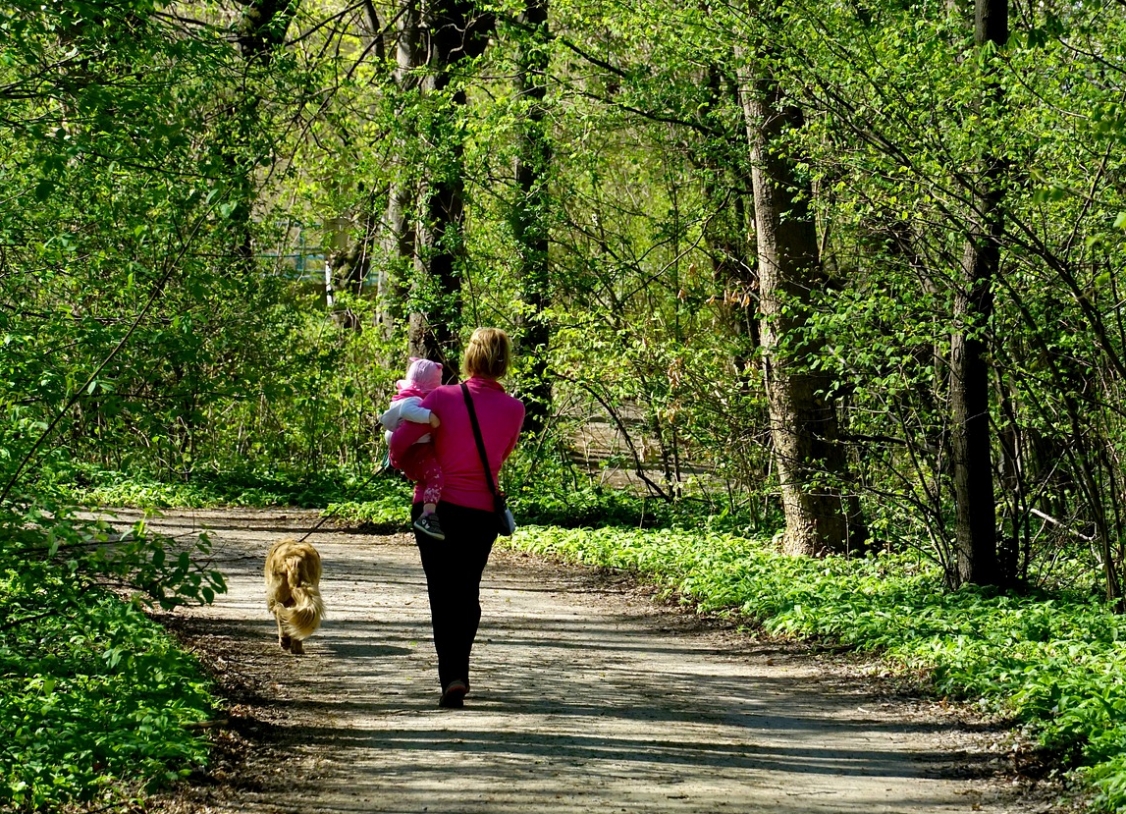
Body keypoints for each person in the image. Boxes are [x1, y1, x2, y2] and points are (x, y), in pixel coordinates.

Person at [389, 328, 525, 709]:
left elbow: (399, 443)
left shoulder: (440, 398)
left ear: (469, 358)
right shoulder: (515, 409)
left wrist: (413, 469)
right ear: (504, 362)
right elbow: (502, 455)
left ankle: (452, 675)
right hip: (481, 513)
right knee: (467, 590)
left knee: (441, 592)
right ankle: (459, 671)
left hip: (435, 510)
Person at [380, 358, 446, 540]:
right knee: (436, 478)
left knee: (426, 479)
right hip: (417, 450)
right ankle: (428, 515)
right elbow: (408, 411)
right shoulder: (412, 400)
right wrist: (429, 417)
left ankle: (426, 510)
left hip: (409, 450)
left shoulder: (404, 397)